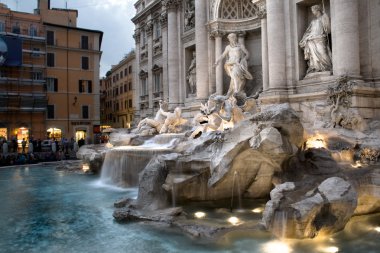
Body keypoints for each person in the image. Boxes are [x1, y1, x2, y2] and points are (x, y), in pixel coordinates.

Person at [215, 33, 253, 97]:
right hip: (230, 63)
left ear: (235, 38)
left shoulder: (240, 46)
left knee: (235, 75)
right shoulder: (228, 47)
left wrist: (243, 60)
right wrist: (217, 61)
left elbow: (247, 54)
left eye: (232, 37)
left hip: (238, 63)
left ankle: (236, 90)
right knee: (234, 74)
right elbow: (222, 55)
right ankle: (236, 90)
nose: (231, 39)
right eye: (230, 38)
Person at [299, 4, 332, 76]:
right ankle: (315, 67)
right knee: (313, 56)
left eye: (313, 10)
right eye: (311, 11)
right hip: (312, 39)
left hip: (320, 39)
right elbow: (308, 31)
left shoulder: (323, 17)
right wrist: (307, 38)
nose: (312, 12)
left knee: (322, 52)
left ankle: (326, 67)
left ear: (317, 10)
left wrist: (326, 19)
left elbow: (328, 30)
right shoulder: (313, 21)